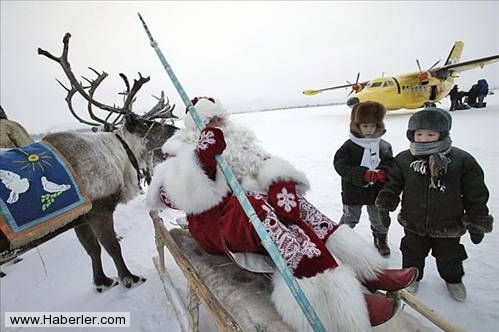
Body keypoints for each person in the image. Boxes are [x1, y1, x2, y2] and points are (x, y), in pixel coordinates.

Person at [147, 97, 418, 331]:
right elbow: (170, 196)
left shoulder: (240, 142)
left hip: (250, 208)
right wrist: (201, 162)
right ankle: (335, 305)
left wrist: (280, 182)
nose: (219, 124)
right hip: (216, 224)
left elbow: (264, 164)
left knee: (300, 208)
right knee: (260, 209)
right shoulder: (180, 150)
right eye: (211, 120)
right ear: (197, 126)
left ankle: (368, 270)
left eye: (220, 118)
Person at [375, 108, 493, 302]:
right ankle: (412, 278)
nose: (424, 138)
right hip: (414, 222)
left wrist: (477, 222)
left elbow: (476, 194)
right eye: (419, 134)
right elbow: (392, 185)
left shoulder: (462, 161)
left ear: (443, 134)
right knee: (411, 253)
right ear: (411, 134)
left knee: (450, 257)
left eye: (431, 134)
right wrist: (385, 205)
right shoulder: (404, 159)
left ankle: (453, 280)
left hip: (449, 224)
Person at [333, 101, 393, 257]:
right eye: (365, 126)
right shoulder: (349, 146)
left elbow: (390, 163)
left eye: (372, 126)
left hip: (376, 191)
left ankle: (381, 239)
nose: (369, 129)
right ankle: (339, 241)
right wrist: (361, 174)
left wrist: (383, 172)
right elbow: (340, 165)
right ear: (357, 125)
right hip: (354, 191)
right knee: (350, 217)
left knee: (379, 217)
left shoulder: (383, 145)